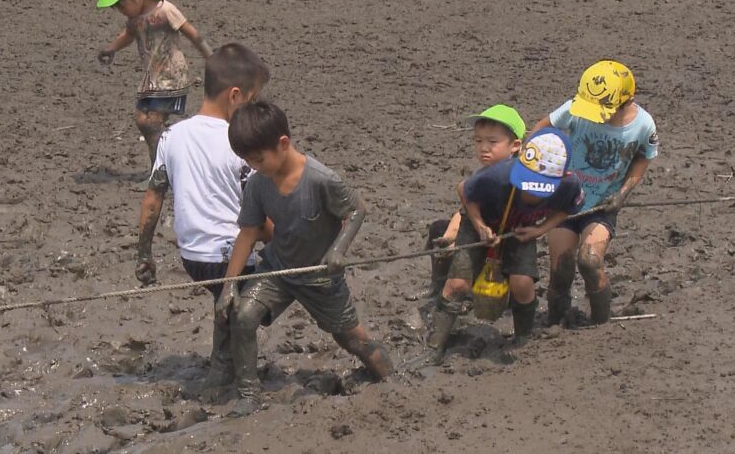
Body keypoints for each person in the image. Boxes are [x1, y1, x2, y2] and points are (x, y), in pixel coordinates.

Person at [217, 101, 393, 416]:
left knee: (352, 339)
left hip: (319, 276)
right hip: (279, 269)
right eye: (248, 161)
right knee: (243, 315)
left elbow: (357, 210)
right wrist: (230, 285)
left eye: (259, 158)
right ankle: (249, 395)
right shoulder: (258, 184)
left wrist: (338, 249)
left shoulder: (322, 179)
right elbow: (249, 232)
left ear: (283, 144)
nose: (255, 166)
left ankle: (393, 380)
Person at [135, 43, 271, 389]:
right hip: (232, 258)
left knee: (225, 297)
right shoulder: (240, 142)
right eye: (254, 100)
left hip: (193, 258)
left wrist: (144, 253)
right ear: (236, 96)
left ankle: (219, 366)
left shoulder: (171, 135)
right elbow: (258, 214)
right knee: (272, 292)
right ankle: (239, 378)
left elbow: (153, 198)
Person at [418, 127, 585, 366]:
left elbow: (569, 209)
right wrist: (480, 226)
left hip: (521, 230)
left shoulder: (569, 185)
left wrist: (539, 230)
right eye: (527, 181)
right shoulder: (497, 176)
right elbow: (465, 191)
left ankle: (522, 339)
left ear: (563, 175)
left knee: (522, 283)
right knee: (458, 283)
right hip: (480, 226)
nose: (530, 189)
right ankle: (435, 344)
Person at [530, 60, 659, 325]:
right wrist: (534, 164)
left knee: (589, 261)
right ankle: (555, 323)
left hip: (601, 205)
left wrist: (623, 193)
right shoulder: (575, 110)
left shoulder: (643, 125)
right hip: (564, 203)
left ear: (627, 100)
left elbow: (643, 157)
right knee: (561, 269)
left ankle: (601, 326)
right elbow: (543, 127)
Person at [96, 0, 214, 166]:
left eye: (121, 5)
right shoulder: (135, 18)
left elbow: (193, 34)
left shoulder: (166, 11)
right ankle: (167, 161)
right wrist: (111, 48)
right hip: (152, 81)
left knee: (150, 123)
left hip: (171, 78)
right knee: (143, 121)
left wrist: (212, 59)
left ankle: (161, 172)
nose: (121, 11)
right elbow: (128, 35)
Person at [421, 105, 526, 301]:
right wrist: (451, 235)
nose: (483, 148)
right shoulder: (480, 175)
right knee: (439, 230)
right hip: (481, 232)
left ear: (515, 145)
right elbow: (465, 208)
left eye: (492, 142)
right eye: (478, 141)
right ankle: (438, 285)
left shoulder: (517, 178)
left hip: (505, 239)